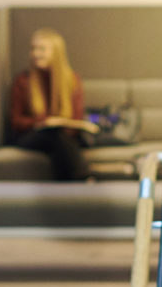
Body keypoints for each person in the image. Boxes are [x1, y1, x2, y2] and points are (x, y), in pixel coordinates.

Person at [6, 28, 96, 181]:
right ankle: (84, 179)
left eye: (41, 49)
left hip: (63, 135)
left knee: (59, 138)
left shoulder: (72, 80)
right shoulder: (23, 81)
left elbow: (76, 117)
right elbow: (16, 121)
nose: (35, 54)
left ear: (56, 53)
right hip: (31, 136)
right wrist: (43, 121)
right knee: (55, 137)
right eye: (33, 49)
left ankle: (64, 191)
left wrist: (60, 123)